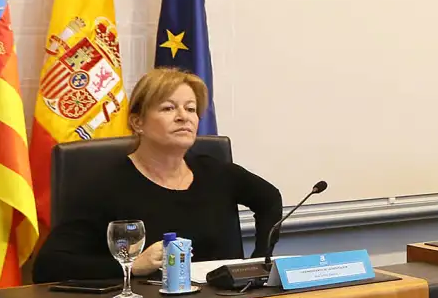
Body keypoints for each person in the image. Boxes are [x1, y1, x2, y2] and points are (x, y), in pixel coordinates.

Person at [31, 68, 283, 283]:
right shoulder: (105, 186)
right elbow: (49, 266)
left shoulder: (218, 174)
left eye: (191, 108)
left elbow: (270, 199)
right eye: (168, 108)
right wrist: (132, 266)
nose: (183, 117)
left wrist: (259, 263)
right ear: (137, 122)